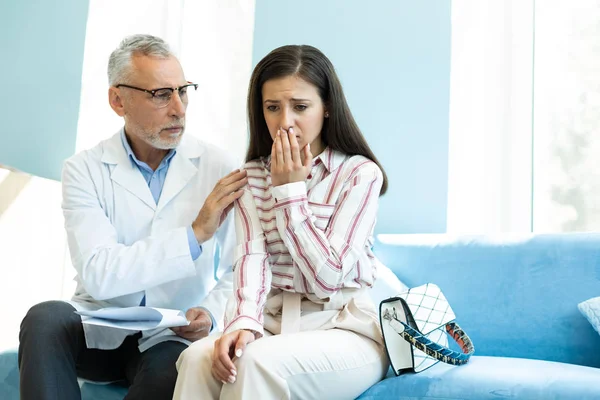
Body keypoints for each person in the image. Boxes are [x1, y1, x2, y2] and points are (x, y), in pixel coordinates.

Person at [18, 34, 247, 400]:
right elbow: (99, 272)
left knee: (170, 372)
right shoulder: (83, 170)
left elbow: (244, 265)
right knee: (44, 319)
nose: (179, 108)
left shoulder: (219, 166)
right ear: (117, 100)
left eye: (183, 91)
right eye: (160, 94)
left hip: (170, 334)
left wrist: (210, 312)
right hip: (97, 326)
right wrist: (194, 235)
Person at [174, 44, 390, 400]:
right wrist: (243, 322)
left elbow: (328, 277)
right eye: (272, 107)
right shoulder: (252, 175)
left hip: (345, 328)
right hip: (275, 324)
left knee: (256, 362)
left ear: (328, 108)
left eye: (300, 107)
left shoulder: (360, 175)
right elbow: (251, 259)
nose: (285, 121)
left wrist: (289, 192)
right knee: (197, 357)